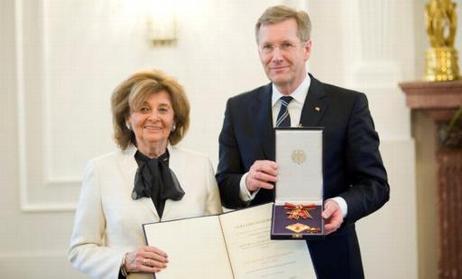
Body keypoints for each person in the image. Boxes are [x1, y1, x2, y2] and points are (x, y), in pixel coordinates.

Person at [216, 5, 389, 278]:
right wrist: (246, 183)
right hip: (262, 262)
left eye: (286, 44)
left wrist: (340, 206)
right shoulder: (238, 109)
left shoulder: (349, 104)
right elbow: (224, 184)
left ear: (307, 48)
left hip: (331, 259)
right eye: (267, 47)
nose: (276, 56)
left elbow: (376, 184)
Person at [68, 69, 222, 279]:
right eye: (143, 109)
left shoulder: (201, 165)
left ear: (174, 119)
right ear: (127, 119)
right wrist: (124, 260)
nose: (154, 117)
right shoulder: (100, 170)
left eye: (163, 109)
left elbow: (217, 238)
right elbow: (80, 249)